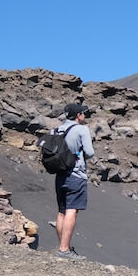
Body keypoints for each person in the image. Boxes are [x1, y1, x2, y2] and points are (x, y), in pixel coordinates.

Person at [52, 103, 94, 261]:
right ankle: (64, 250)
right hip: (76, 175)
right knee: (72, 210)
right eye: (83, 113)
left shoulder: (57, 129)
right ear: (78, 115)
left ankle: (63, 246)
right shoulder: (81, 129)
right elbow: (89, 152)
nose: (84, 115)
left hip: (60, 175)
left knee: (61, 211)